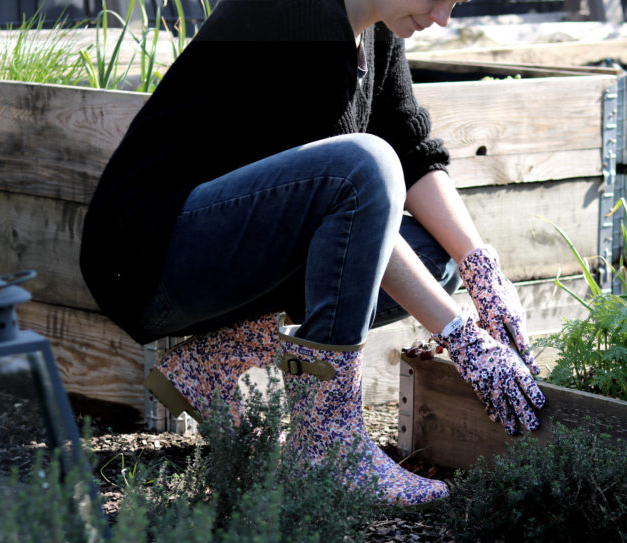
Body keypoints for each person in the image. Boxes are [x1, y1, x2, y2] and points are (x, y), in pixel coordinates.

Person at [80, 0, 545, 507]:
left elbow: (412, 155)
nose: (442, 18)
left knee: (439, 259)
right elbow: (357, 191)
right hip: (148, 259)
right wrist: (460, 335)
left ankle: (214, 362)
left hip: (227, 254)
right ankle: (325, 441)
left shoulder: (376, 29)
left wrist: (482, 269)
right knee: (365, 165)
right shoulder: (292, 16)